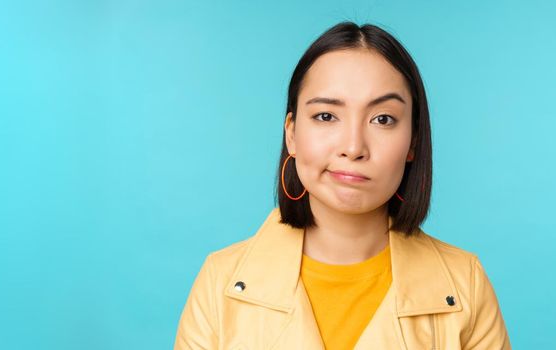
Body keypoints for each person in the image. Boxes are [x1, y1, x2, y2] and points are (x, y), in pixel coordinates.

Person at [173, 21, 511, 350]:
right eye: (326, 116)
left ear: (412, 142)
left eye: (383, 119)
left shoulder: (465, 284)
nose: (353, 146)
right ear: (291, 133)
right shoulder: (221, 282)